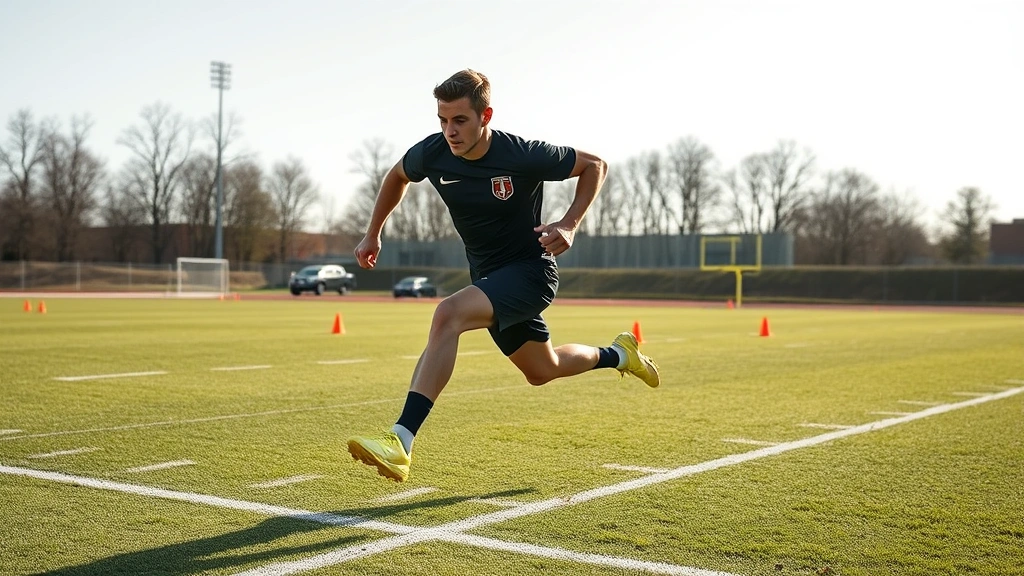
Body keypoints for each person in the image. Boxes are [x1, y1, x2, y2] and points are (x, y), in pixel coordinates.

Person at [347, 69, 660, 482]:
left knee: (448, 315)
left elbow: (595, 165)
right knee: (541, 370)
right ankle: (620, 355)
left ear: (485, 116)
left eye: (459, 120)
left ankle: (400, 440)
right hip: (490, 279)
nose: (450, 131)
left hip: (531, 273)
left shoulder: (522, 154)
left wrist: (569, 223)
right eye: (442, 120)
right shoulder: (433, 152)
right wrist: (373, 233)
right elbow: (397, 175)